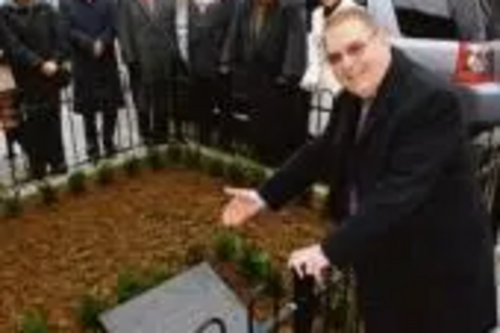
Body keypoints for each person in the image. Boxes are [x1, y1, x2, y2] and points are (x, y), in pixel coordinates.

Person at [221, 7, 497, 333]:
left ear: (381, 39)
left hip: (438, 278)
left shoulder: (431, 100)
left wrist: (328, 251)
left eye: (355, 49)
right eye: (335, 58)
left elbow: (398, 194)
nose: (347, 65)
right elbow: (322, 150)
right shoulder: (352, 97)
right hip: (386, 263)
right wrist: (264, 195)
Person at [1, 0, 70, 179]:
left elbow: (61, 38)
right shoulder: (5, 13)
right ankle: (37, 167)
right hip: (25, 79)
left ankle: (58, 163)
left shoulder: (47, 9)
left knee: (53, 119)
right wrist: (39, 64)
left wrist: (55, 61)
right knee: (31, 123)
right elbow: (13, 46)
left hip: (51, 75)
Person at [60, 0, 124, 161]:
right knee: (88, 108)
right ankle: (92, 144)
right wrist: (89, 44)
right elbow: (68, 29)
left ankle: (108, 139)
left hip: (106, 60)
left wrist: (102, 41)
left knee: (111, 105)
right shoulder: (66, 3)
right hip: (83, 62)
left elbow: (114, 25)